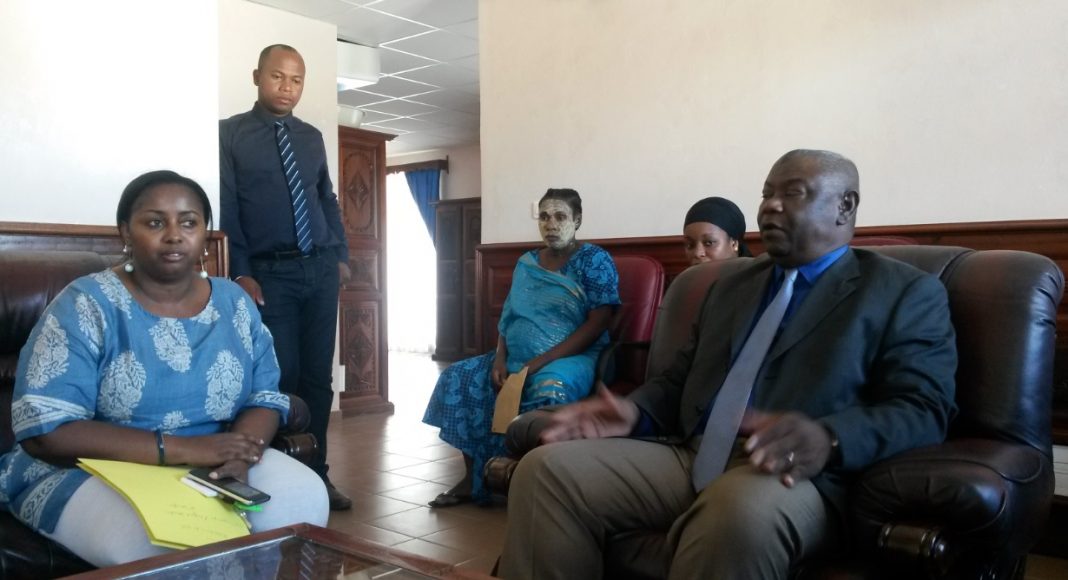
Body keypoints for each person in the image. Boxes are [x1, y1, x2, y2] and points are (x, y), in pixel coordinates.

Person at [498, 150, 958, 579]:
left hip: (790, 473)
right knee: (546, 473)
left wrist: (830, 437)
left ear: (845, 205)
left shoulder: (904, 292)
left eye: (792, 193)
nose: (770, 206)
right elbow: (680, 379)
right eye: (766, 193)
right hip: (691, 454)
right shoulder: (729, 285)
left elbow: (923, 408)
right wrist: (634, 411)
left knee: (738, 513)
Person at [0, 170, 328, 567]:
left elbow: (264, 397)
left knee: (303, 498)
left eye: (188, 223)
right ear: (126, 231)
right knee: (164, 542)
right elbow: (48, 431)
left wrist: (240, 457)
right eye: (155, 223)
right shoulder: (86, 304)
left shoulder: (234, 303)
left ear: (205, 234)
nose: (174, 235)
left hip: (214, 453)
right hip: (94, 467)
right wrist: (187, 450)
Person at [423, 188, 620, 507]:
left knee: (549, 387)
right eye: (544, 217)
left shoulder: (594, 260)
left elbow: (599, 322)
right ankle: (474, 479)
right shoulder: (527, 262)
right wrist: (500, 358)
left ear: (577, 220)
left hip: (574, 357)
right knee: (459, 376)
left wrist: (538, 363)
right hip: (516, 357)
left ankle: (534, 482)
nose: (551, 225)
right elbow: (509, 316)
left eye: (560, 217)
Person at [220, 44, 353, 510]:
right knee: (282, 376)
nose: (287, 88)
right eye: (278, 77)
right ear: (257, 76)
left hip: (319, 268)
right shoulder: (230, 134)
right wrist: (241, 270)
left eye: (296, 80)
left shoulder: (312, 137)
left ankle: (317, 475)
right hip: (269, 273)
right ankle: (276, 473)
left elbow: (326, 199)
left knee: (318, 378)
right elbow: (228, 207)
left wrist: (340, 255)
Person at [682, 196, 752, 265]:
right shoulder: (688, 273)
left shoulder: (755, 272)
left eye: (709, 243)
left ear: (734, 244)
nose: (697, 253)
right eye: (690, 245)